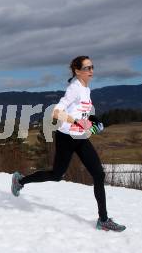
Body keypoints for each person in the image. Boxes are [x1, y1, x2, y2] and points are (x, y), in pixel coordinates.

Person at [11, 56, 126, 232]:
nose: (91, 71)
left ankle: (103, 219)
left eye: (92, 67)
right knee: (56, 174)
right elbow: (56, 113)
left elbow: (84, 113)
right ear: (78, 71)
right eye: (87, 68)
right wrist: (76, 122)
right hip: (66, 138)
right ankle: (20, 180)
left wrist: (95, 121)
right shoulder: (74, 89)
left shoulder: (86, 88)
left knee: (98, 175)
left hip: (80, 138)